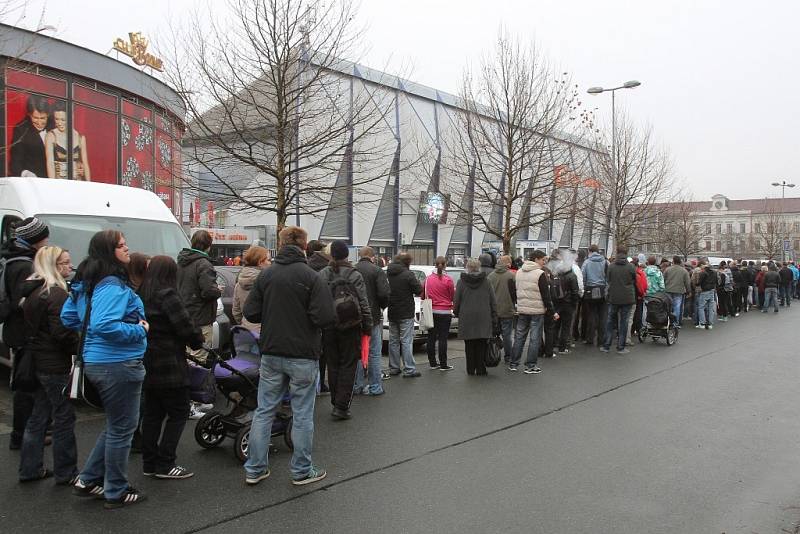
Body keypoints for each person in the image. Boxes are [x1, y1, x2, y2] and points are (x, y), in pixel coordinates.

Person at [61, 230, 149, 508]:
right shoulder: (112, 285)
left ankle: (88, 479)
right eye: (121, 246)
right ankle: (116, 490)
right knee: (123, 428)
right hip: (118, 364)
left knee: (116, 425)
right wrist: (138, 330)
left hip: (98, 361)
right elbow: (104, 324)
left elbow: (68, 317)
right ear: (109, 252)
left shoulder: (87, 282)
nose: (127, 249)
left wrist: (94, 339)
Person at [242, 226, 334, 486]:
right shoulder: (312, 277)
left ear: (280, 245)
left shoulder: (266, 275)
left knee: (264, 411)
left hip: (271, 351)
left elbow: (251, 313)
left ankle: (256, 468)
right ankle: (302, 470)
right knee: (302, 413)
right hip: (303, 353)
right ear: (304, 246)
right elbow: (325, 317)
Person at [137, 256, 204, 480]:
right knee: (179, 411)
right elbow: (185, 327)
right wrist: (198, 340)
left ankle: (149, 462)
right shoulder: (168, 295)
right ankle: (166, 462)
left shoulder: (142, 294)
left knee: (153, 413)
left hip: (148, 360)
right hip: (169, 362)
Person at [18, 246, 79, 484]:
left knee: (38, 417)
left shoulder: (33, 292)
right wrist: (78, 345)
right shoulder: (56, 294)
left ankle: (29, 468)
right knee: (64, 417)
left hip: (37, 360)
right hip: (54, 363)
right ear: (53, 266)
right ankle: (66, 471)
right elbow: (62, 333)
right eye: (64, 263)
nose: (69, 267)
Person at [4, 217, 50, 451]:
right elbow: (22, 302)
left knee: (26, 385)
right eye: (44, 237)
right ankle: (21, 435)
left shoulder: (15, 259)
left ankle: (27, 433)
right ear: (35, 240)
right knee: (26, 386)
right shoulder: (24, 265)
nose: (47, 241)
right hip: (23, 333)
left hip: (19, 332)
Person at [318, 240, 371, 420]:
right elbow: (363, 302)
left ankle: (335, 400)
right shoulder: (354, 274)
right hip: (351, 325)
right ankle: (341, 406)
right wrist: (368, 325)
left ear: (331, 254)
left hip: (329, 326)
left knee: (333, 364)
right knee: (348, 364)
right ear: (347, 255)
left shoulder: (323, 274)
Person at [177, 229, 221, 366]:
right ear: (209, 245)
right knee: (198, 358)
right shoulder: (203, 264)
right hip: (200, 318)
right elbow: (209, 292)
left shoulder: (181, 262)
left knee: (186, 356)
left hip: (183, 316)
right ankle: (193, 386)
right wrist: (218, 290)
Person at [510, 250, 558, 374]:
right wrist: (552, 311)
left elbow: (514, 290)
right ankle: (530, 365)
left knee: (519, 337)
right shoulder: (540, 274)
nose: (544, 262)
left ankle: (513, 363)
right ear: (536, 259)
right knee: (534, 338)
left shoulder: (519, 272)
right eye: (543, 260)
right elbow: (545, 295)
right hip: (537, 310)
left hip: (522, 309)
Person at [353, 246, 390, 395]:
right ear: (372, 257)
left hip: (354, 317)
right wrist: (381, 307)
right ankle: (375, 386)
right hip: (373, 316)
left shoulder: (352, 270)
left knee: (358, 352)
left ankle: (357, 385)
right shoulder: (377, 271)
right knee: (374, 352)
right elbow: (384, 293)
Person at [453, 258, 497, 375]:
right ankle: (481, 368)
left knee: (469, 344)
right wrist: (494, 315)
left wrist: (457, 313)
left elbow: (456, 301)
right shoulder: (486, 281)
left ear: (468, 267)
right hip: (483, 316)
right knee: (481, 344)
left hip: (466, 316)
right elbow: (493, 300)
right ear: (479, 267)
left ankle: (470, 369)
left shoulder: (461, 282)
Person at [386, 253, 423, 378]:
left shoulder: (389, 273)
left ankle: (394, 367)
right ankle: (409, 369)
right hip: (406, 311)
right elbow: (418, 290)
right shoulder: (408, 274)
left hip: (392, 310)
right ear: (407, 262)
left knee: (393, 341)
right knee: (406, 341)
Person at [601, 246, 637, 355]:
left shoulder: (611, 266)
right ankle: (621, 347)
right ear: (626, 253)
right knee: (624, 322)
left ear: (617, 253)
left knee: (610, 321)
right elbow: (633, 279)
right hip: (627, 297)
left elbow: (608, 279)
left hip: (613, 296)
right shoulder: (631, 267)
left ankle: (606, 345)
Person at [306, 240, 331, 392]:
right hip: (324, 315)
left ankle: (314, 384)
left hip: (308, 315)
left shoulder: (306, 266)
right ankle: (321, 383)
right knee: (323, 352)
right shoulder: (328, 268)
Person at [423, 256, 455, 371]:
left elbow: (423, 294)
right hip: (445, 311)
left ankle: (432, 363)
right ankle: (443, 364)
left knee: (431, 337)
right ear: (445, 264)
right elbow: (452, 296)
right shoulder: (448, 280)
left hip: (432, 311)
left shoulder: (428, 279)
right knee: (443, 338)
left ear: (435, 264)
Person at [45, 101, 90, 180]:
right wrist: (52, 185)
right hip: (59, 183)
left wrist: (89, 184)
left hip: (78, 183)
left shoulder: (80, 138)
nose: (59, 123)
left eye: (63, 120)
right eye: (56, 119)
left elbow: (85, 164)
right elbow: (50, 163)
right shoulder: (51, 136)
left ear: (71, 117)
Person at [232, 246, 270, 334]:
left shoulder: (239, 283)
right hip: (265, 330)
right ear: (260, 262)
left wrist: (245, 323)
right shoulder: (267, 282)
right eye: (268, 260)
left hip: (247, 330)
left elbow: (236, 311)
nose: (270, 263)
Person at [10, 95, 49, 177]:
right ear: (29, 114)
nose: (39, 122)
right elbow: (15, 162)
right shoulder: (20, 129)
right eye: (35, 118)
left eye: (42, 118)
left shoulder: (55, 124)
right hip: (34, 182)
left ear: (48, 115)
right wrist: (25, 173)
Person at [487, 255, 517, 363]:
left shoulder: (491, 276)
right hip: (507, 310)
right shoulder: (511, 276)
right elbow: (514, 293)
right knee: (507, 335)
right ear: (507, 263)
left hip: (494, 311)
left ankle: (493, 353)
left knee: (494, 333)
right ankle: (508, 356)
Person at [551, 253, 580, 355]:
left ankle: (553, 345)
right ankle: (563, 348)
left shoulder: (557, 275)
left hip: (557, 304)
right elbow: (575, 292)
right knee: (566, 326)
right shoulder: (572, 276)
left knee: (556, 325)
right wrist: (574, 303)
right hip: (568, 304)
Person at [581, 244, 607, 346]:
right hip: (602, 289)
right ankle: (602, 340)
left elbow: (583, 276)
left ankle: (590, 338)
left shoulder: (587, 262)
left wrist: (585, 287)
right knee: (602, 316)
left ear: (589, 251)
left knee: (591, 314)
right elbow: (608, 277)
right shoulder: (605, 262)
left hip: (590, 290)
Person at [663, 256, 691, 326]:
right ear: (680, 262)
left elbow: (663, 279)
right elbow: (687, 282)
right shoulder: (684, 271)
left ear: (673, 261)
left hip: (668, 290)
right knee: (677, 307)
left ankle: (667, 321)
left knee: (668, 306)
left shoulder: (667, 269)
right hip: (679, 291)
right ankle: (676, 322)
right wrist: (689, 291)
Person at [695, 262, 718, 329]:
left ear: (704, 268)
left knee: (701, 307)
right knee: (710, 308)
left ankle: (702, 323)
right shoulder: (714, 273)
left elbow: (698, 283)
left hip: (704, 291)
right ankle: (710, 323)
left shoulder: (703, 273)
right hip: (712, 290)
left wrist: (697, 284)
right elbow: (716, 281)